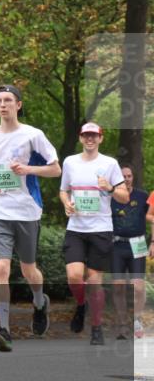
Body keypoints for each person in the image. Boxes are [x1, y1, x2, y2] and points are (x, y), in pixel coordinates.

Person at [0, 85, 60, 353]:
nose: (3, 105)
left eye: (8, 100)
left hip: (26, 210)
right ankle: (4, 329)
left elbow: (56, 169)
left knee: (28, 270)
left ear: (18, 105)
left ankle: (39, 302)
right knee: (1, 269)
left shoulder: (33, 135)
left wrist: (28, 169)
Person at [60, 122, 128, 345]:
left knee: (94, 282)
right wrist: (66, 204)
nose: (90, 139)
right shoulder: (70, 162)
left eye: (94, 136)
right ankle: (81, 305)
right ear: (80, 138)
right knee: (74, 276)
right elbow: (63, 190)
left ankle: (96, 327)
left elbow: (124, 197)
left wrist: (109, 187)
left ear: (101, 138)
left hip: (101, 229)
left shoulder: (110, 164)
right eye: (86, 135)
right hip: (76, 228)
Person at [111, 165, 149, 339]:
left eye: (129, 176)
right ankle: (122, 325)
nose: (126, 179)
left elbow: (152, 217)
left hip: (138, 244)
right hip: (117, 245)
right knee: (118, 287)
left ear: (132, 177)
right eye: (122, 176)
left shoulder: (142, 196)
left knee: (139, 287)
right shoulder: (111, 197)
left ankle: (137, 320)